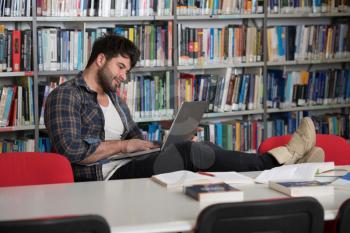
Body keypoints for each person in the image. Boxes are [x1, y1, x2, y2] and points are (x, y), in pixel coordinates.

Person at [44, 34, 324, 182]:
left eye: (127, 71)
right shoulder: (66, 96)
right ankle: (277, 162)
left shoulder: (115, 97)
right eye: (121, 67)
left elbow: (133, 138)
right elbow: (72, 152)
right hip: (102, 177)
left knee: (204, 147)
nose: (123, 76)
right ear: (101, 59)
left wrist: (165, 142)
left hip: (130, 165)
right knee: (192, 154)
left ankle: (288, 165)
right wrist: (122, 147)